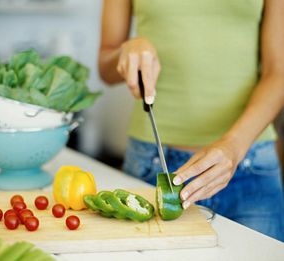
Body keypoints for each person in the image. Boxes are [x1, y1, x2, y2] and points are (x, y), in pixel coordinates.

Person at [98, 0, 284, 241]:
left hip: (249, 165)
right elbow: (105, 66)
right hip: (152, 164)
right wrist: (126, 51)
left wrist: (234, 146)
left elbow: (278, 72)